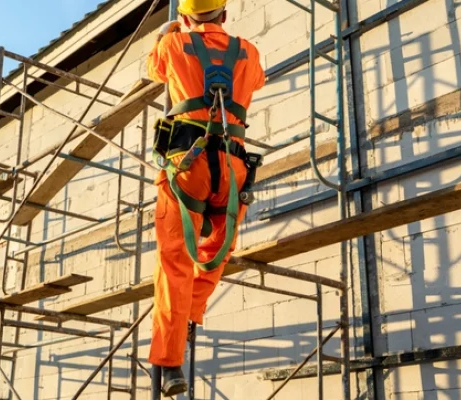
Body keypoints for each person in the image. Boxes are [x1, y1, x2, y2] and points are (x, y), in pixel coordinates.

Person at [146, 0, 265, 395]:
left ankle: (169, 362)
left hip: (188, 165)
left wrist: (167, 35)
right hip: (232, 168)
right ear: (224, 14)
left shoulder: (172, 45)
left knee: (175, 263)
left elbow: (153, 71)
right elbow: (258, 80)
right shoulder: (248, 50)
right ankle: (192, 312)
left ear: (183, 16)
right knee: (218, 248)